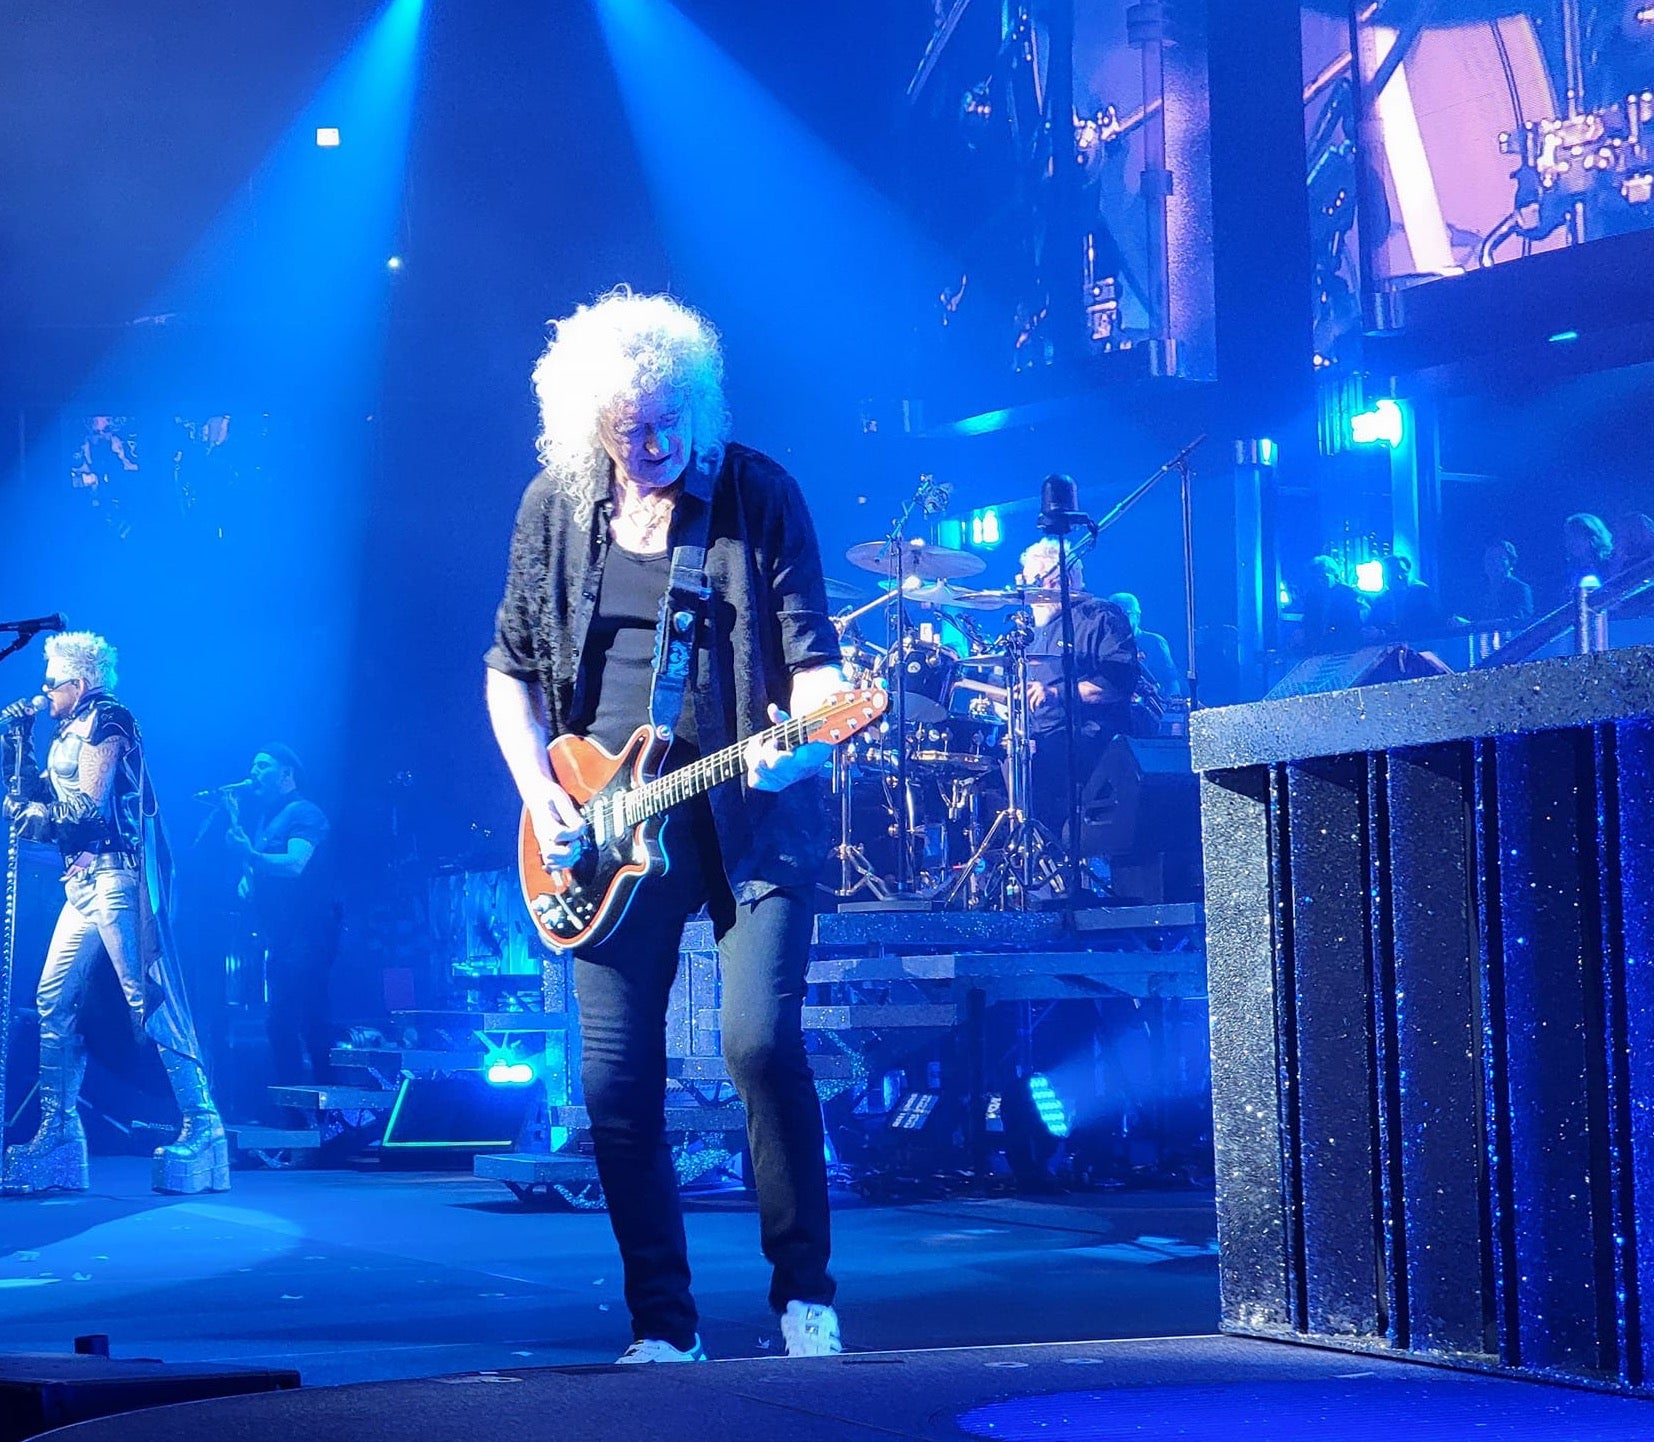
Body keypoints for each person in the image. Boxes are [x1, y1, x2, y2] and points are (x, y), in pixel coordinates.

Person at [484, 289, 844, 1362]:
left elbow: (816, 662)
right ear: (587, 424)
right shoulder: (555, 505)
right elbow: (507, 672)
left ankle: (805, 1296)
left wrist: (810, 734)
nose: (647, 446)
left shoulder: (757, 493)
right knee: (611, 1081)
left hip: (747, 806)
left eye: (663, 423)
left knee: (759, 1042)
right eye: (623, 428)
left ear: (695, 404)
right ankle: (664, 1324)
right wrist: (537, 791)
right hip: (599, 822)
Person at [0, 631, 226, 1195]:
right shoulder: (64, 728)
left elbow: (86, 808)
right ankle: (59, 1133)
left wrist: (34, 817)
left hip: (118, 876)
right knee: (54, 997)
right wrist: (19, 746)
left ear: (79, 682)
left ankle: (205, 1126)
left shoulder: (111, 721)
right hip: (81, 882)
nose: (45, 692)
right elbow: (39, 797)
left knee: (145, 993)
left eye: (52, 683)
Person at [223, 744, 338, 1093]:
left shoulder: (305, 813)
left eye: (262, 766)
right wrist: (248, 875)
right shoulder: (265, 818)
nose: (253, 772)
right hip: (282, 935)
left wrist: (251, 856)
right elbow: (257, 866)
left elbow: (295, 864)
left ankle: (324, 1101)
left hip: (310, 931)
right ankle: (296, 1105)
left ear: (286, 773)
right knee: (282, 1020)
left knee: (303, 1016)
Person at [1016, 539, 1138, 845]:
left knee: (1043, 762)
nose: (1027, 592)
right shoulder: (1033, 631)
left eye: (1031, 582)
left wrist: (1058, 694)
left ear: (1058, 580)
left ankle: (1057, 856)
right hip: (1039, 735)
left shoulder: (1100, 617)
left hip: (1089, 736)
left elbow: (1117, 685)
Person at [1105, 591, 1183, 700]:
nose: (1118, 619)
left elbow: (1170, 679)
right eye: (1113, 614)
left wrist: (1173, 703)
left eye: (1125, 613)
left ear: (1137, 616)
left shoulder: (1155, 642)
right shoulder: (1103, 643)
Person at [1293, 554, 1368, 652]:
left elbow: (1355, 622)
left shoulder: (1348, 593)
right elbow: (1308, 618)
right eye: (1315, 578)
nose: (1319, 581)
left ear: (1334, 575)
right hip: (1318, 646)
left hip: (1344, 645)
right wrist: (1302, 631)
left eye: (1323, 577)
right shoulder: (1311, 596)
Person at [1477, 540, 1534, 630]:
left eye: (1499, 558)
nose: (1493, 562)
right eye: (1489, 558)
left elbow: (1519, 621)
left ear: (1510, 562)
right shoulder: (1481, 590)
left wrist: (1477, 624)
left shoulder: (1520, 588)